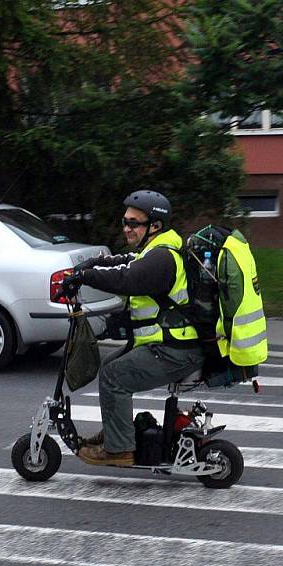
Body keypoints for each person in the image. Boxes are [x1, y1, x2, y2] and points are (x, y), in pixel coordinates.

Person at [60, 190, 206, 466]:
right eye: (124, 222)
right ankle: (118, 434)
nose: (126, 227)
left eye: (133, 223)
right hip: (168, 345)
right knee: (111, 366)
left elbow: (128, 279)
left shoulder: (163, 258)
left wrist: (85, 277)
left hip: (176, 350)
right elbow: (125, 262)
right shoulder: (155, 250)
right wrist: (91, 265)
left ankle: (120, 451)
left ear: (155, 226)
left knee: (115, 376)